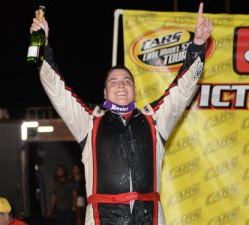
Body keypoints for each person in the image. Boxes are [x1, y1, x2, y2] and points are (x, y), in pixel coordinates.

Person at [30, 2, 213, 225]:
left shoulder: (154, 118)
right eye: (114, 82)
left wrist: (198, 44)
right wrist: (41, 44)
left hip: (150, 216)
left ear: (135, 90)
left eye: (127, 81)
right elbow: (56, 89)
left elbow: (183, 89)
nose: (121, 85)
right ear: (105, 92)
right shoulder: (89, 120)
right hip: (102, 217)